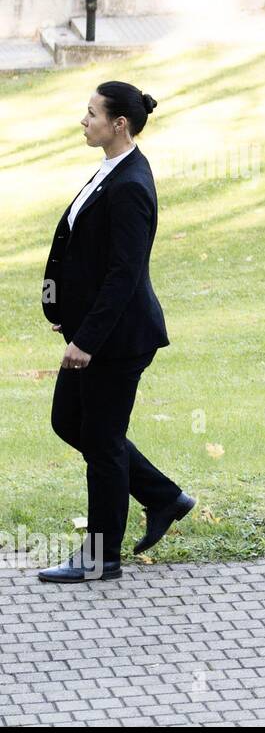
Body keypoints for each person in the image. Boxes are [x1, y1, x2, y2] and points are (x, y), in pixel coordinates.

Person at [38, 82, 194, 583]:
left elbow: (124, 274)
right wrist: (65, 310)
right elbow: (85, 252)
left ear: (118, 124)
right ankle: (164, 496)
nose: (83, 121)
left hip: (117, 340)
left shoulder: (129, 184)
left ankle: (101, 557)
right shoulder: (112, 170)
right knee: (72, 423)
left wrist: (87, 340)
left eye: (91, 114)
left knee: (102, 443)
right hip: (95, 331)